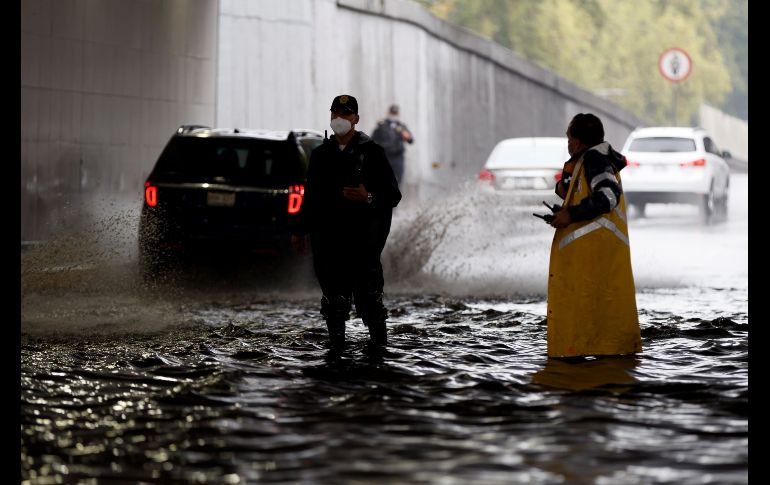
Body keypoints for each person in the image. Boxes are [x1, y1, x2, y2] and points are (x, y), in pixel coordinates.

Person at [291, 94, 402, 350]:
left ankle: (378, 355)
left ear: (356, 119)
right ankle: (336, 355)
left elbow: (393, 195)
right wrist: (299, 231)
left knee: (370, 302)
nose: (339, 119)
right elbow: (311, 197)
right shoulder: (320, 155)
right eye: (335, 114)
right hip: (328, 242)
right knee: (334, 304)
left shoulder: (373, 152)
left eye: (345, 114)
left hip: (363, 242)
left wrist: (368, 196)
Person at [545, 113, 642, 358]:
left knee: (599, 329)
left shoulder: (595, 159)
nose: (568, 144)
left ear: (576, 140)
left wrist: (571, 214)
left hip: (596, 259)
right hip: (591, 261)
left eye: (569, 138)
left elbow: (609, 196)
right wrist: (565, 210)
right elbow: (581, 195)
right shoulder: (587, 161)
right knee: (599, 327)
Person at [371, 104, 413, 186]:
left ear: (398, 114)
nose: (393, 116)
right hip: (385, 156)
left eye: (395, 114)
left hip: (398, 156)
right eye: (392, 113)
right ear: (388, 113)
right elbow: (372, 139)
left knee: (398, 178)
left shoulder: (402, 126)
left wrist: (407, 136)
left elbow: (411, 140)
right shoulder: (381, 125)